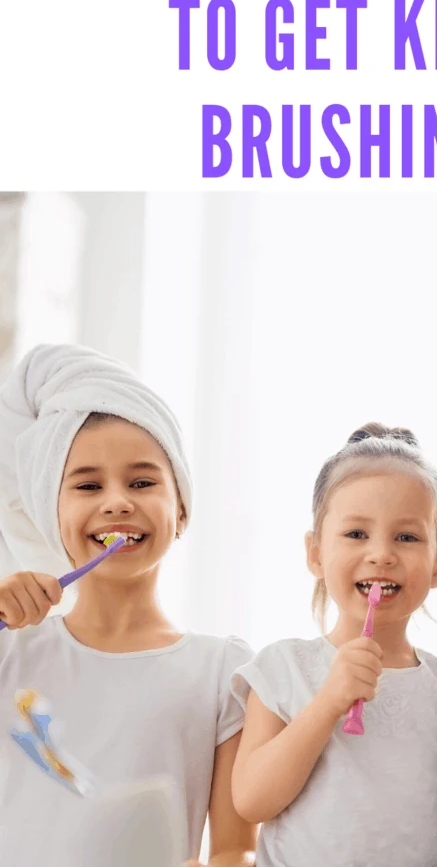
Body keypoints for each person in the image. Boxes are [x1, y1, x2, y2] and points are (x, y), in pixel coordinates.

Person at [0, 344, 256, 867]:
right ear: (53, 516)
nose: (116, 501)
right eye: (88, 485)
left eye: (142, 482)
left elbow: (235, 850)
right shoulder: (11, 649)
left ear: (181, 511)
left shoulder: (222, 671)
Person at [231, 423, 437, 867]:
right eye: (356, 534)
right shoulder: (282, 667)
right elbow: (252, 800)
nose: (381, 554)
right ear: (315, 553)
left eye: (407, 537)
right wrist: (328, 703)